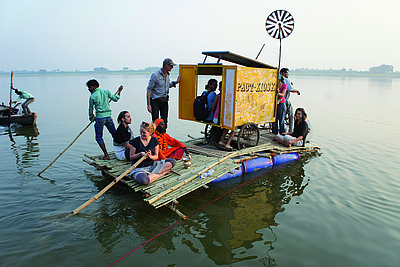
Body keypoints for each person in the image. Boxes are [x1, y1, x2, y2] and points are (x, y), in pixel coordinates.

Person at [87, 79, 123, 160]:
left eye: (90, 87)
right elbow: (116, 99)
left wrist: (92, 118)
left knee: (99, 137)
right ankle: (121, 149)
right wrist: (119, 91)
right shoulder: (106, 91)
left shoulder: (92, 96)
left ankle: (106, 155)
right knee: (114, 134)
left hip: (100, 118)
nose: (89, 89)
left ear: (95, 87)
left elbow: (90, 110)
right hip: (108, 117)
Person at [146, 58, 181, 129]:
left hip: (164, 101)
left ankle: (163, 137)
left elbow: (167, 86)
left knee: (164, 122)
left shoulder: (168, 75)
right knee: (155, 122)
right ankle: (155, 138)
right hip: (155, 101)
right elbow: (149, 90)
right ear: (166, 65)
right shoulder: (155, 75)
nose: (172, 67)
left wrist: (176, 82)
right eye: (171, 66)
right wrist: (149, 105)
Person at [280, 68, 301, 133]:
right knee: (291, 116)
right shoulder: (286, 80)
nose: (288, 74)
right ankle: (291, 131)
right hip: (285, 101)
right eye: (287, 73)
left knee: (280, 117)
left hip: (279, 101)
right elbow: (290, 89)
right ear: (283, 73)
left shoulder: (279, 80)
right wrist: (297, 91)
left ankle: (278, 130)